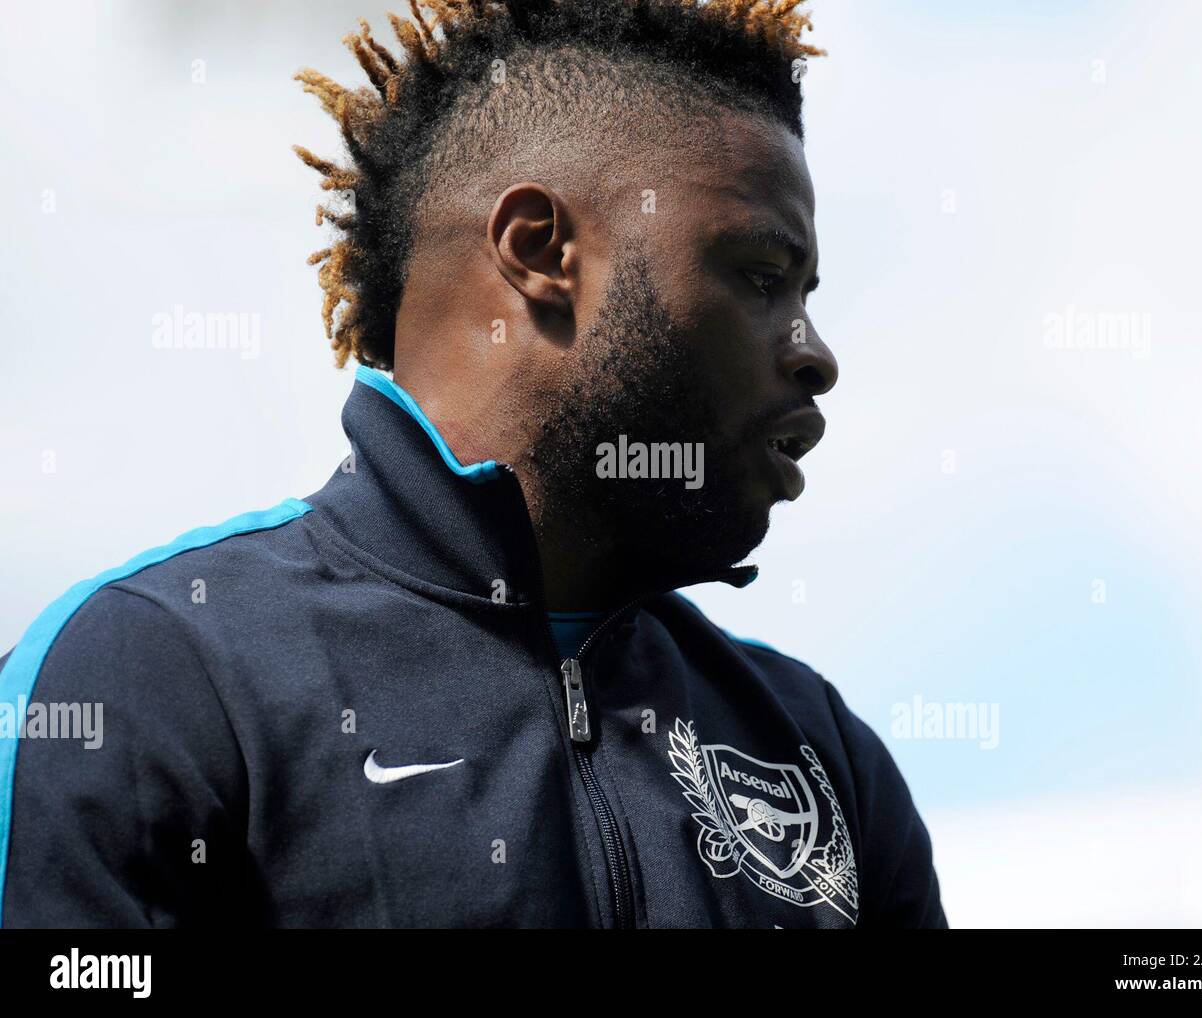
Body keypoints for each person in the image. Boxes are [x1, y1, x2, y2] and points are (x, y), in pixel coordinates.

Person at [0, 0, 945, 928]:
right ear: (539, 250)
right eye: (760, 276)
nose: (815, 352)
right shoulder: (152, 670)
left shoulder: (817, 750)